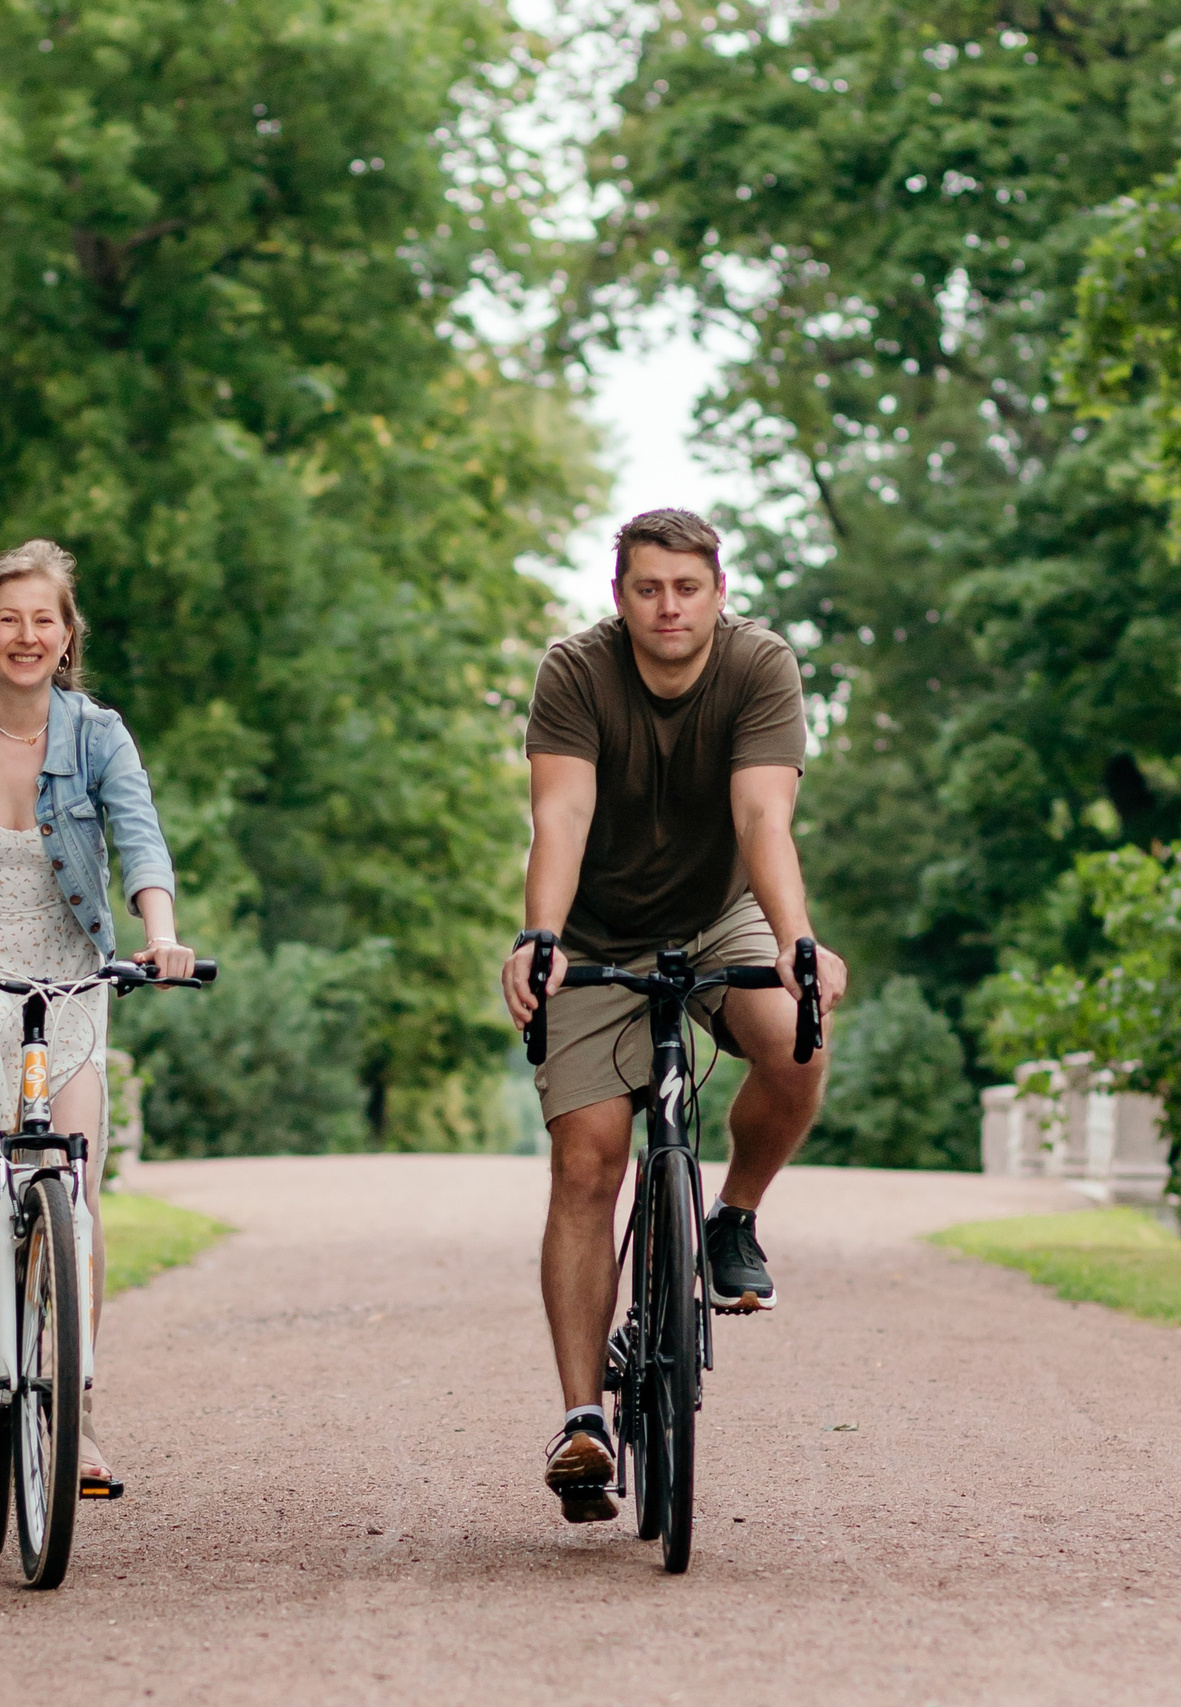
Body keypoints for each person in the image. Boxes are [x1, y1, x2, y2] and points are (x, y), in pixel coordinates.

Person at [498, 508, 847, 1523]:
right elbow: (558, 813)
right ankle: (584, 1419)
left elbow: (760, 816)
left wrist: (793, 939)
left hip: (717, 918)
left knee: (793, 1033)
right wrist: (542, 935)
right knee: (587, 1162)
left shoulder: (760, 668)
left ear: (717, 593)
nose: (667, 607)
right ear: (619, 596)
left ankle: (731, 1216)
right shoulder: (575, 670)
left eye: (686, 588)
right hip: (597, 932)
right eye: (647, 588)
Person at [0, 539, 196, 1499]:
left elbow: (139, 834)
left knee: (77, 1197)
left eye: (43, 620)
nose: (25, 635)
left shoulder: (99, 734)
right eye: (7, 618)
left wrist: (162, 935)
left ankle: (80, 1414)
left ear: (66, 638)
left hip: (71, 971)